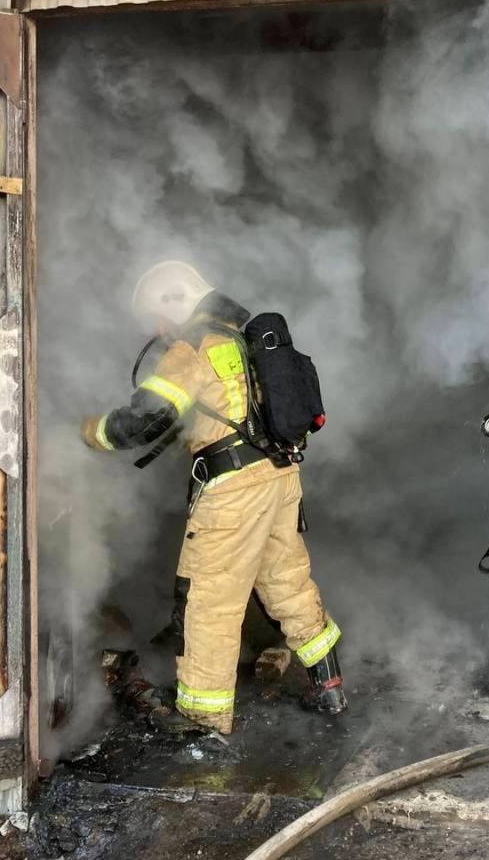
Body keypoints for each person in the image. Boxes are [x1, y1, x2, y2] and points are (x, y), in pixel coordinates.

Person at [81, 260, 346, 734]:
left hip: (233, 492)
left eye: (159, 320)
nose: (160, 332)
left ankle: (204, 725)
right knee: (288, 582)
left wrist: (89, 433)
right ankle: (331, 687)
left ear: (174, 303)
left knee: (207, 603)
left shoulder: (194, 347)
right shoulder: (244, 341)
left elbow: (144, 422)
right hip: (279, 477)